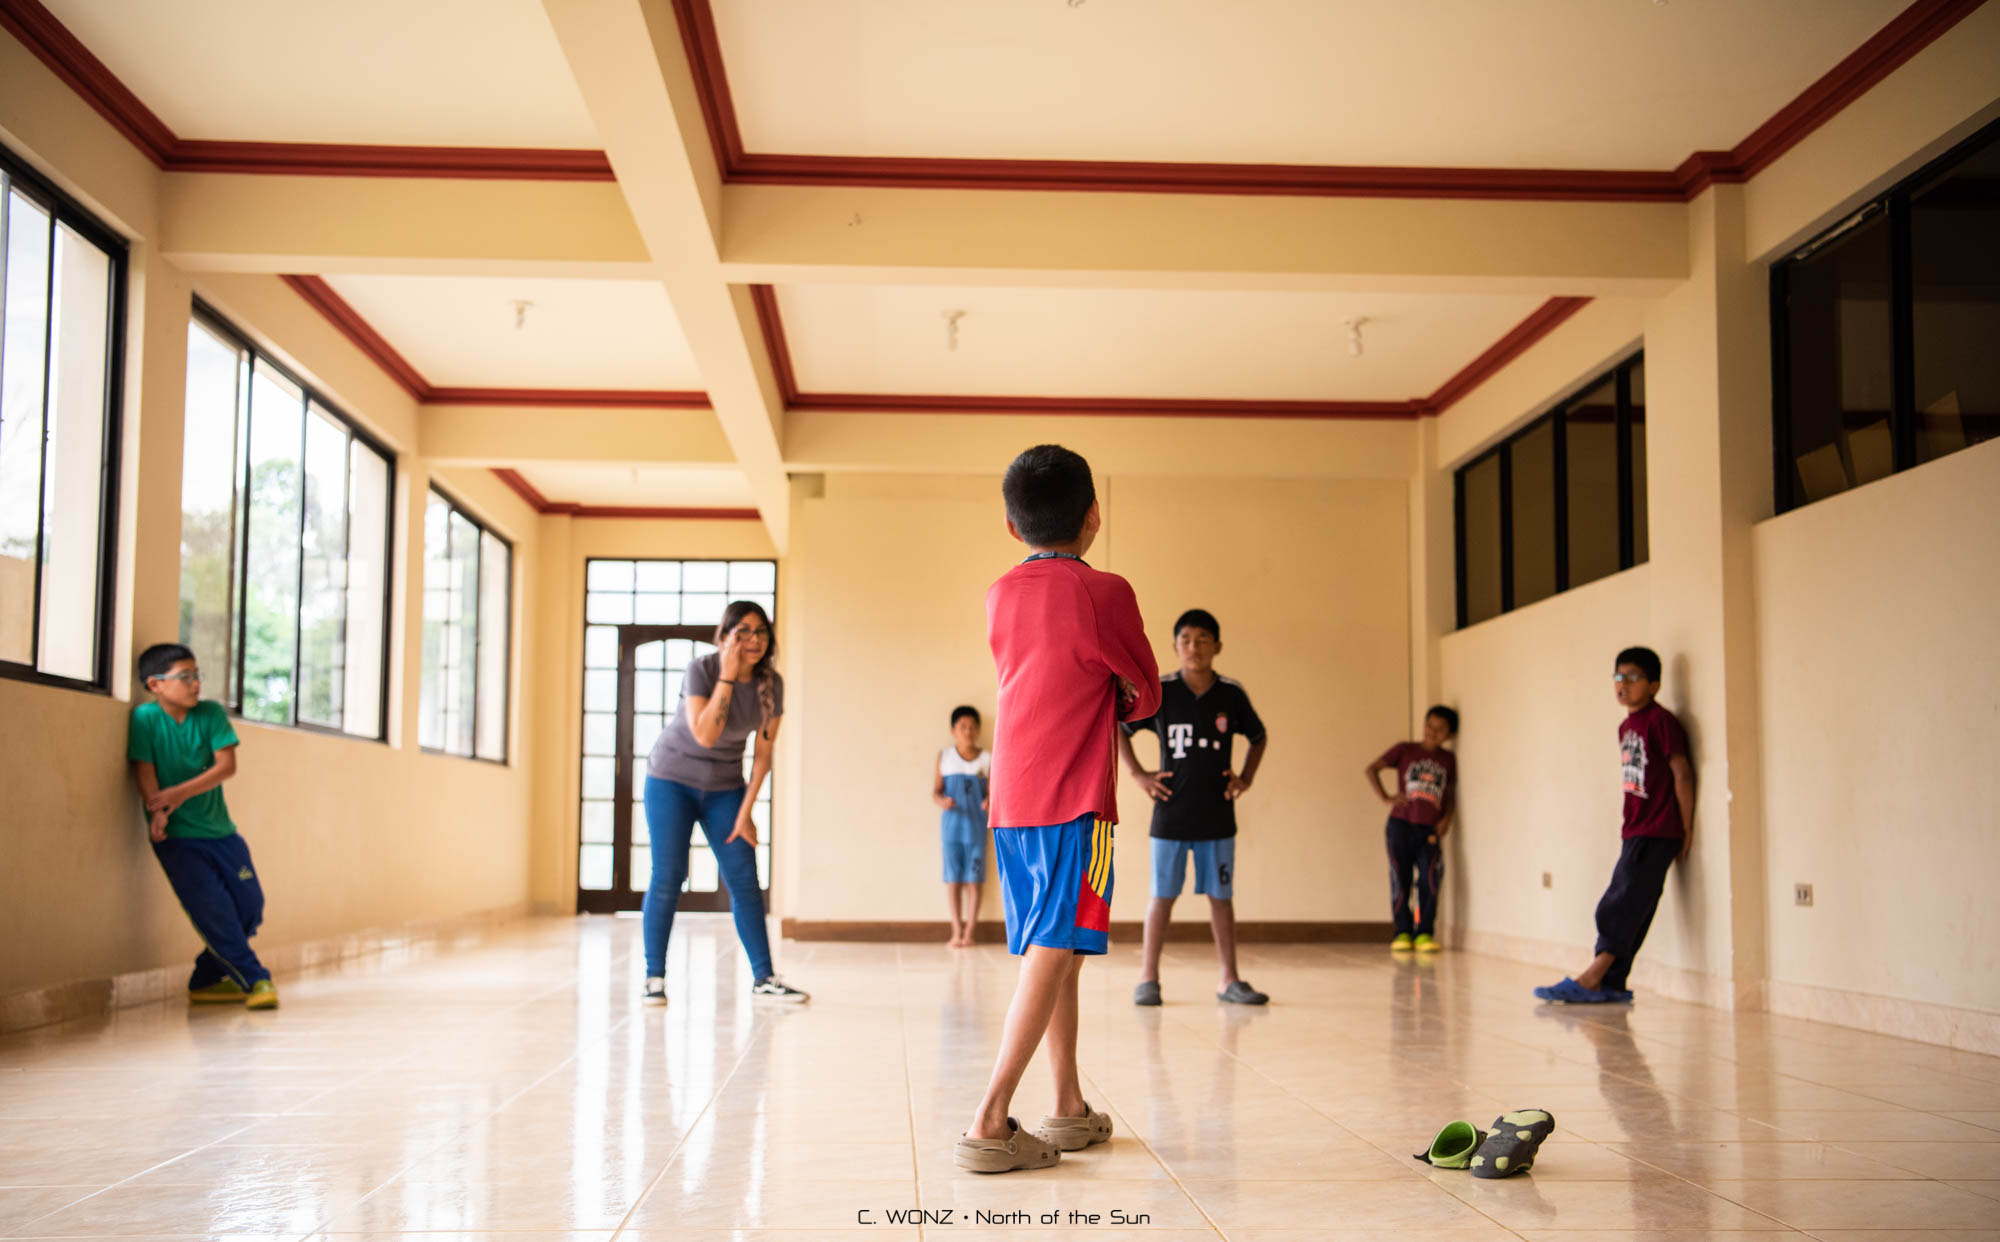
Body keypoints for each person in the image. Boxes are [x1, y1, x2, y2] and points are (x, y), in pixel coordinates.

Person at [955, 444, 1161, 1174]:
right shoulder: (1105, 592)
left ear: (1013, 527)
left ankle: (1067, 1106)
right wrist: (1120, 692)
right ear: (1093, 515)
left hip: (1012, 801)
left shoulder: (997, 595)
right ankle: (989, 1118)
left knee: (1058, 948)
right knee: (1054, 948)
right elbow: (1147, 691)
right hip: (1078, 801)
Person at [640, 601, 808, 1006]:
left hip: (724, 788)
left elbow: (764, 755)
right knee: (669, 875)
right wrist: (729, 677)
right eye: (744, 631)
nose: (754, 640)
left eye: (762, 632)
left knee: (744, 877)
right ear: (726, 634)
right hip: (670, 781)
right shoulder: (703, 670)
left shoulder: (772, 684)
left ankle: (764, 977)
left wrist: (746, 811)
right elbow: (704, 737)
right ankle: (654, 977)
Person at [1119, 609, 1270, 1006]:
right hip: (1170, 814)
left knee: (1221, 898)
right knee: (1161, 897)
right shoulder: (1163, 691)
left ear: (1217, 646)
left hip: (1218, 816)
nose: (1194, 647)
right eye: (1186, 639)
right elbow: (1120, 726)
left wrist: (1246, 778)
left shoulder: (1231, 694)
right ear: (1175, 646)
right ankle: (1148, 977)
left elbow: (1258, 735)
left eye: (1203, 639)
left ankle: (1229, 979)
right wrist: (1138, 774)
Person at [1534, 647, 1695, 1004]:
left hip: (1657, 829)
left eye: (1633, 677)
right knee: (1636, 903)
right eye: (1618, 677)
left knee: (1620, 903)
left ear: (1654, 684)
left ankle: (1593, 976)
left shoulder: (1661, 721)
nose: (1623, 684)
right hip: (1635, 827)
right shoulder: (1627, 725)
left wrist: (1687, 828)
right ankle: (1612, 982)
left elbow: (1681, 772)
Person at [127, 643, 277, 1010]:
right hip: (178, 840)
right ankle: (256, 980)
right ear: (155, 684)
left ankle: (206, 979)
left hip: (223, 834)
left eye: (197, 676)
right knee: (214, 912)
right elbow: (144, 771)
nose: (195, 685)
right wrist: (158, 810)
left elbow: (226, 767)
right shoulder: (144, 719)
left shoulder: (210, 714)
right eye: (185, 677)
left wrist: (176, 794)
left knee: (250, 906)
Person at [1366, 705, 1460, 952]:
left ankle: (1424, 932)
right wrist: (1386, 797)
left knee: (1430, 880)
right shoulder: (1405, 750)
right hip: (1400, 825)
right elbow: (1372, 769)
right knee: (1400, 877)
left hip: (1429, 829)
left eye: (1440, 730)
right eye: (1430, 726)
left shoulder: (1448, 759)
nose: (1433, 732)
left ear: (1449, 735)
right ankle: (1403, 931)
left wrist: (1447, 818)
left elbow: (1450, 792)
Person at [935, 705, 992, 948]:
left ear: (978, 730)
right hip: (951, 831)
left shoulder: (987, 759)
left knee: (974, 881)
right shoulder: (945, 757)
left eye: (972, 727)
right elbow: (935, 792)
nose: (968, 732)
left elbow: (994, 793)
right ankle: (956, 930)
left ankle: (970, 932)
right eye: (962, 727)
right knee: (953, 881)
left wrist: (990, 801)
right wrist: (943, 801)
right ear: (953, 730)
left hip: (977, 831)